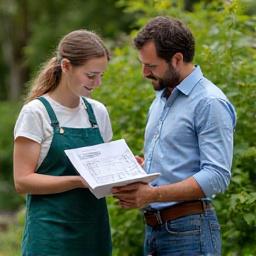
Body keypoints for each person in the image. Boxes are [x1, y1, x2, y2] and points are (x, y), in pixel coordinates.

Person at [112, 16, 236, 255]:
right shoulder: (161, 98)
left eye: (151, 66)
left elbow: (217, 175)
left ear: (177, 59)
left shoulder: (209, 102)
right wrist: (141, 168)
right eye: (142, 64)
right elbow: (175, 163)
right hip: (155, 230)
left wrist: (153, 194)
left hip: (190, 232)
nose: (144, 72)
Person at [13, 29, 112, 256]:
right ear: (66, 66)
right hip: (49, 236)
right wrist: (78, 181)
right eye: (91, 75)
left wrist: (127, 170)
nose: (97, 83)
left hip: (93, 233)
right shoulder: (36, 113)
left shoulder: (98, 113)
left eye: (101, 75)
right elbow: (22, 181)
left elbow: (104, 173)